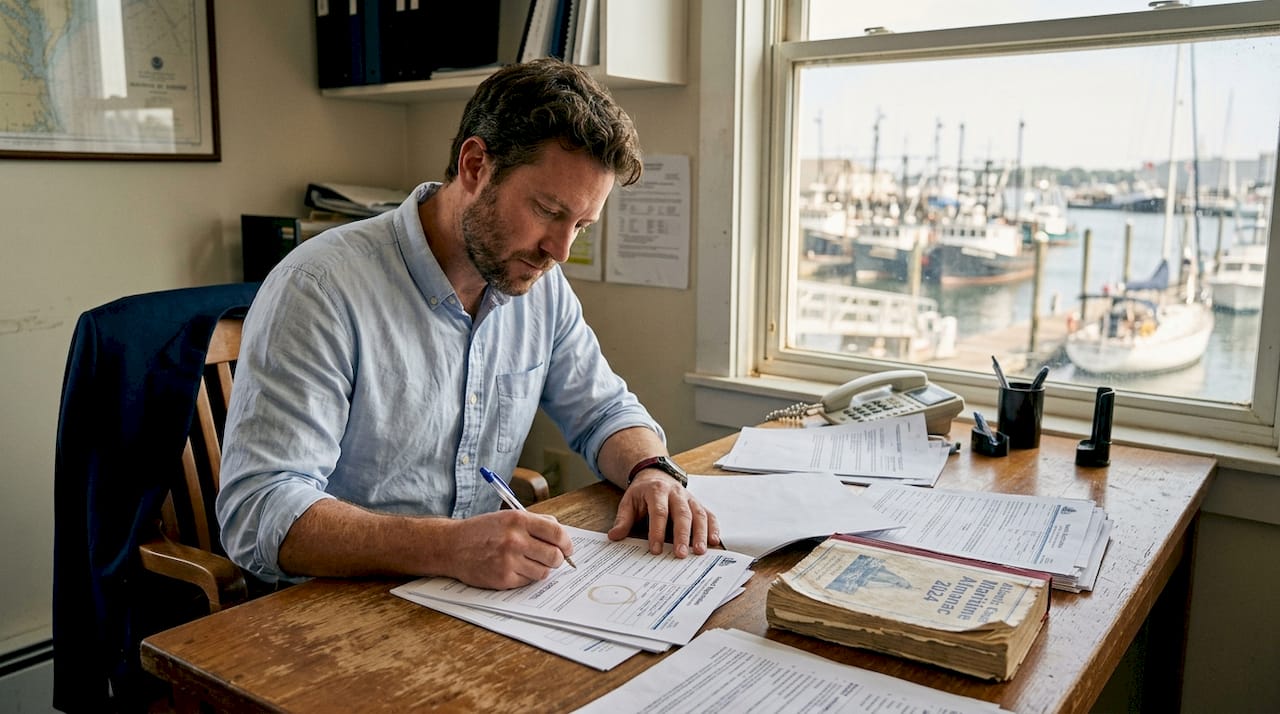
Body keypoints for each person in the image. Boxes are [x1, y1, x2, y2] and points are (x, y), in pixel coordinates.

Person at [216, 59, 719, 590]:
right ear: (476, 165)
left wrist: (651, 470)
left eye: (581, 225)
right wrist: (449, 546)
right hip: (335, 602)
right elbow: (259, 510)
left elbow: (604, 410)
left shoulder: (539, 286)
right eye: (548, 211)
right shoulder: (318, 288)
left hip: (472, 594)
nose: (561, 250)